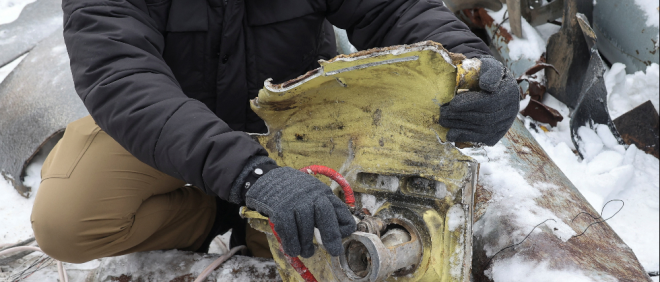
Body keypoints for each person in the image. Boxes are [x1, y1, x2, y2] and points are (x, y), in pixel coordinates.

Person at [31, 0, 519, 263]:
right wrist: (249, 177)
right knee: (67, 222)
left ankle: (254, 229)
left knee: (305, 260)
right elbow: (123, 80)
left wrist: (471, 68)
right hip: (163, 126)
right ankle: (207, 216)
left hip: (291, 125)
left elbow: (393, 10)